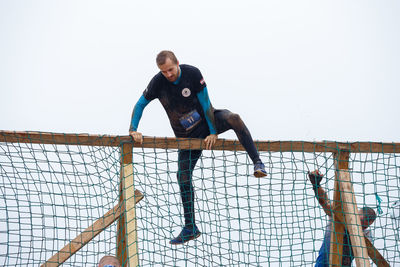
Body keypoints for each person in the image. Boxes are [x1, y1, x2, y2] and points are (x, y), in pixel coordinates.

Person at [129, 50, 267, 245]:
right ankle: (190, 227)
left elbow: (205, 102)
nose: (168, 74)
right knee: (182, 176)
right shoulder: (157, 83)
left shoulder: (192, 74)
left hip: (206, 122)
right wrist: (133, 129)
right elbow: (140, 104)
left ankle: (258, 163)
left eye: (170, 69)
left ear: (177, 62)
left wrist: (213, 132)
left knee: (234, 118)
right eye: (163, 71)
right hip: (187, 136)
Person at [308, 170, 377, 267]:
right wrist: (316, 185)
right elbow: (325, 203)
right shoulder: (340, 215)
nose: (362, 227)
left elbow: (364, 257)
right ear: (357, 213)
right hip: (324, 263)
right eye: (361, 222)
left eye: (365, 227)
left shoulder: (367, 234)